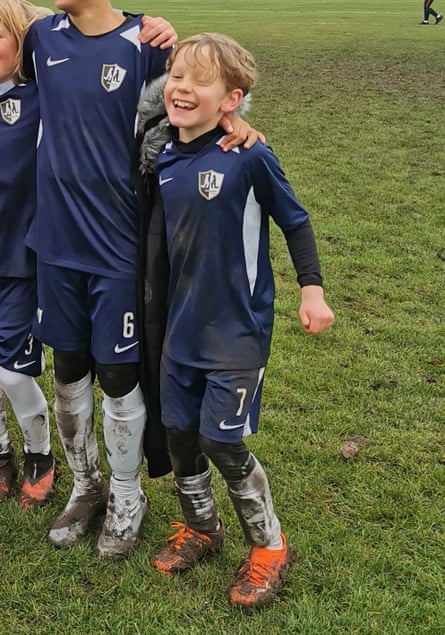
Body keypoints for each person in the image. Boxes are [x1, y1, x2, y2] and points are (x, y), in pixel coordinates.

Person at [136, 33, 334, 608]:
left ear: (232, 98)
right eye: (176, 76)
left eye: (199, 81)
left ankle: (269, 546)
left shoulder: (248, 156)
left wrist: (312, 290)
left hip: (237, 332)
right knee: (179, 436)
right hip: (180, 329)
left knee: (221, 439)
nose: (181, 88)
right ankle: (202, 527)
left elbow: (295, 222)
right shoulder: (165, 154)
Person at [21, 0, 178, 559]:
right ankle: (86, 486)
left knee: (116, 371)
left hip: (117, 242)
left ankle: (127, 493)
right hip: (56, 241)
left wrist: (237, 121)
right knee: (68, 366)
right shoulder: (40, 37)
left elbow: (185, 116)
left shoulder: (148, 41)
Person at [0, 0, 57, 510]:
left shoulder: (40, 97)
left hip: (17, 258)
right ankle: (1, 455)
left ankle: (40, 455)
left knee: (12, 373)